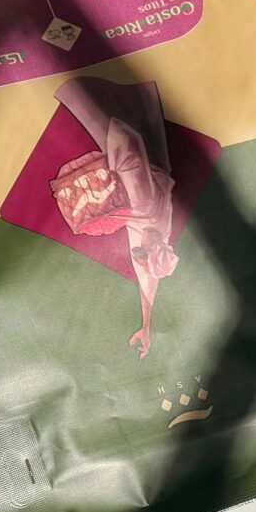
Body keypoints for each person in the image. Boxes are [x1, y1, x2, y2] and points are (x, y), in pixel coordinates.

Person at [50, 79, 179, 359]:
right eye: (145, 253)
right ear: (151, 249)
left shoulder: (154, 232)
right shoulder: (144, 211)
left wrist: (146, 327)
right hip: (135, 156)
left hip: (150, 166)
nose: (140, 257)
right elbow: (130, 149)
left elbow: (149, 285)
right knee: (94, 110)